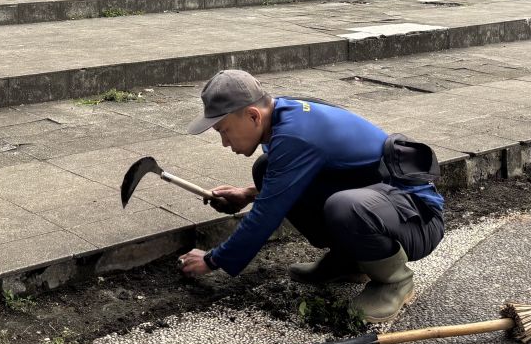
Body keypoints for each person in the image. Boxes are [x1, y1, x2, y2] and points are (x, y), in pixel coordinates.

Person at [175, 69, 445, 322]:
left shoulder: (296, 135)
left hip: (417, 219)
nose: (225, 142)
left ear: (253, 116)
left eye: (224, 130)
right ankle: (348, 260)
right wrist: (247, 194)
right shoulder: (283, 114)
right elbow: (295, 177)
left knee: (344, 206)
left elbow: (266, 216)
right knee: (266, 168)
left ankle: (395, 280)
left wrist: (213, 260)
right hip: (382, 205)